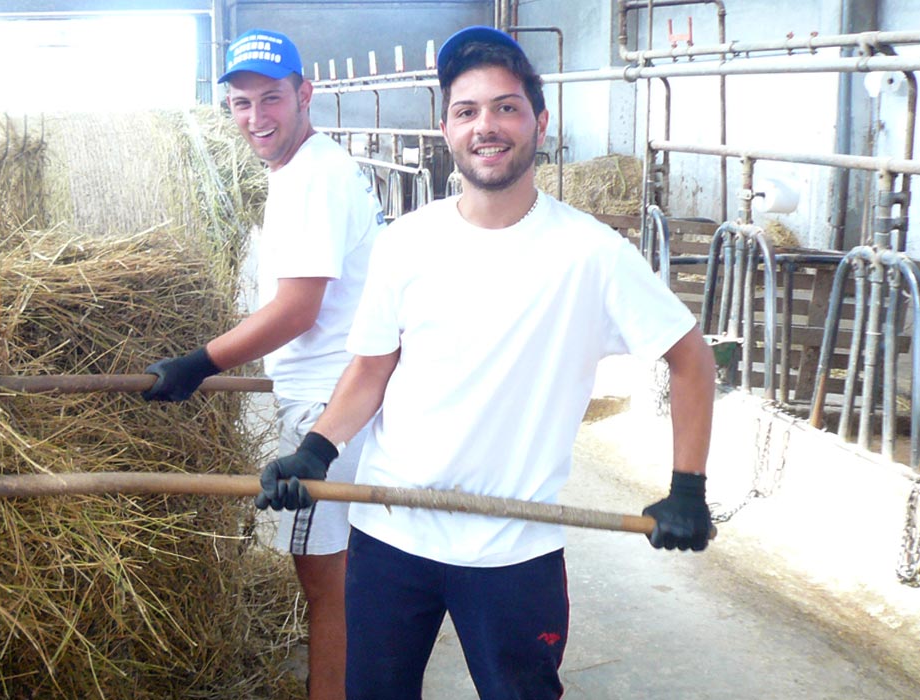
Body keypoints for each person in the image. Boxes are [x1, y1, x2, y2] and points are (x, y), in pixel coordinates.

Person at [254, 26, 717, 699]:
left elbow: (691, 359)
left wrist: (686, 488)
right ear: (445, 128)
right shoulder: (405, 244)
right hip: (390, 533)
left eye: (505, 107)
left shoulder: (592, 255)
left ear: (539, 121)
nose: (486, 127)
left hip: (512, 547)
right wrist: (318, 451)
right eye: (466, 111)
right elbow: (370, 370)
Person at [141, 29, 385, 700]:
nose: (255, 118)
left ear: (305, 94)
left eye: (270, 98)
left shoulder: (310, 177)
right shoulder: (312, 166)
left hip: (325, 405)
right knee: (345, 579)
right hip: (341, 388)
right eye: (240, 104)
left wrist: (198, 363)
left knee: (324, 585)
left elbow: (297, 309)